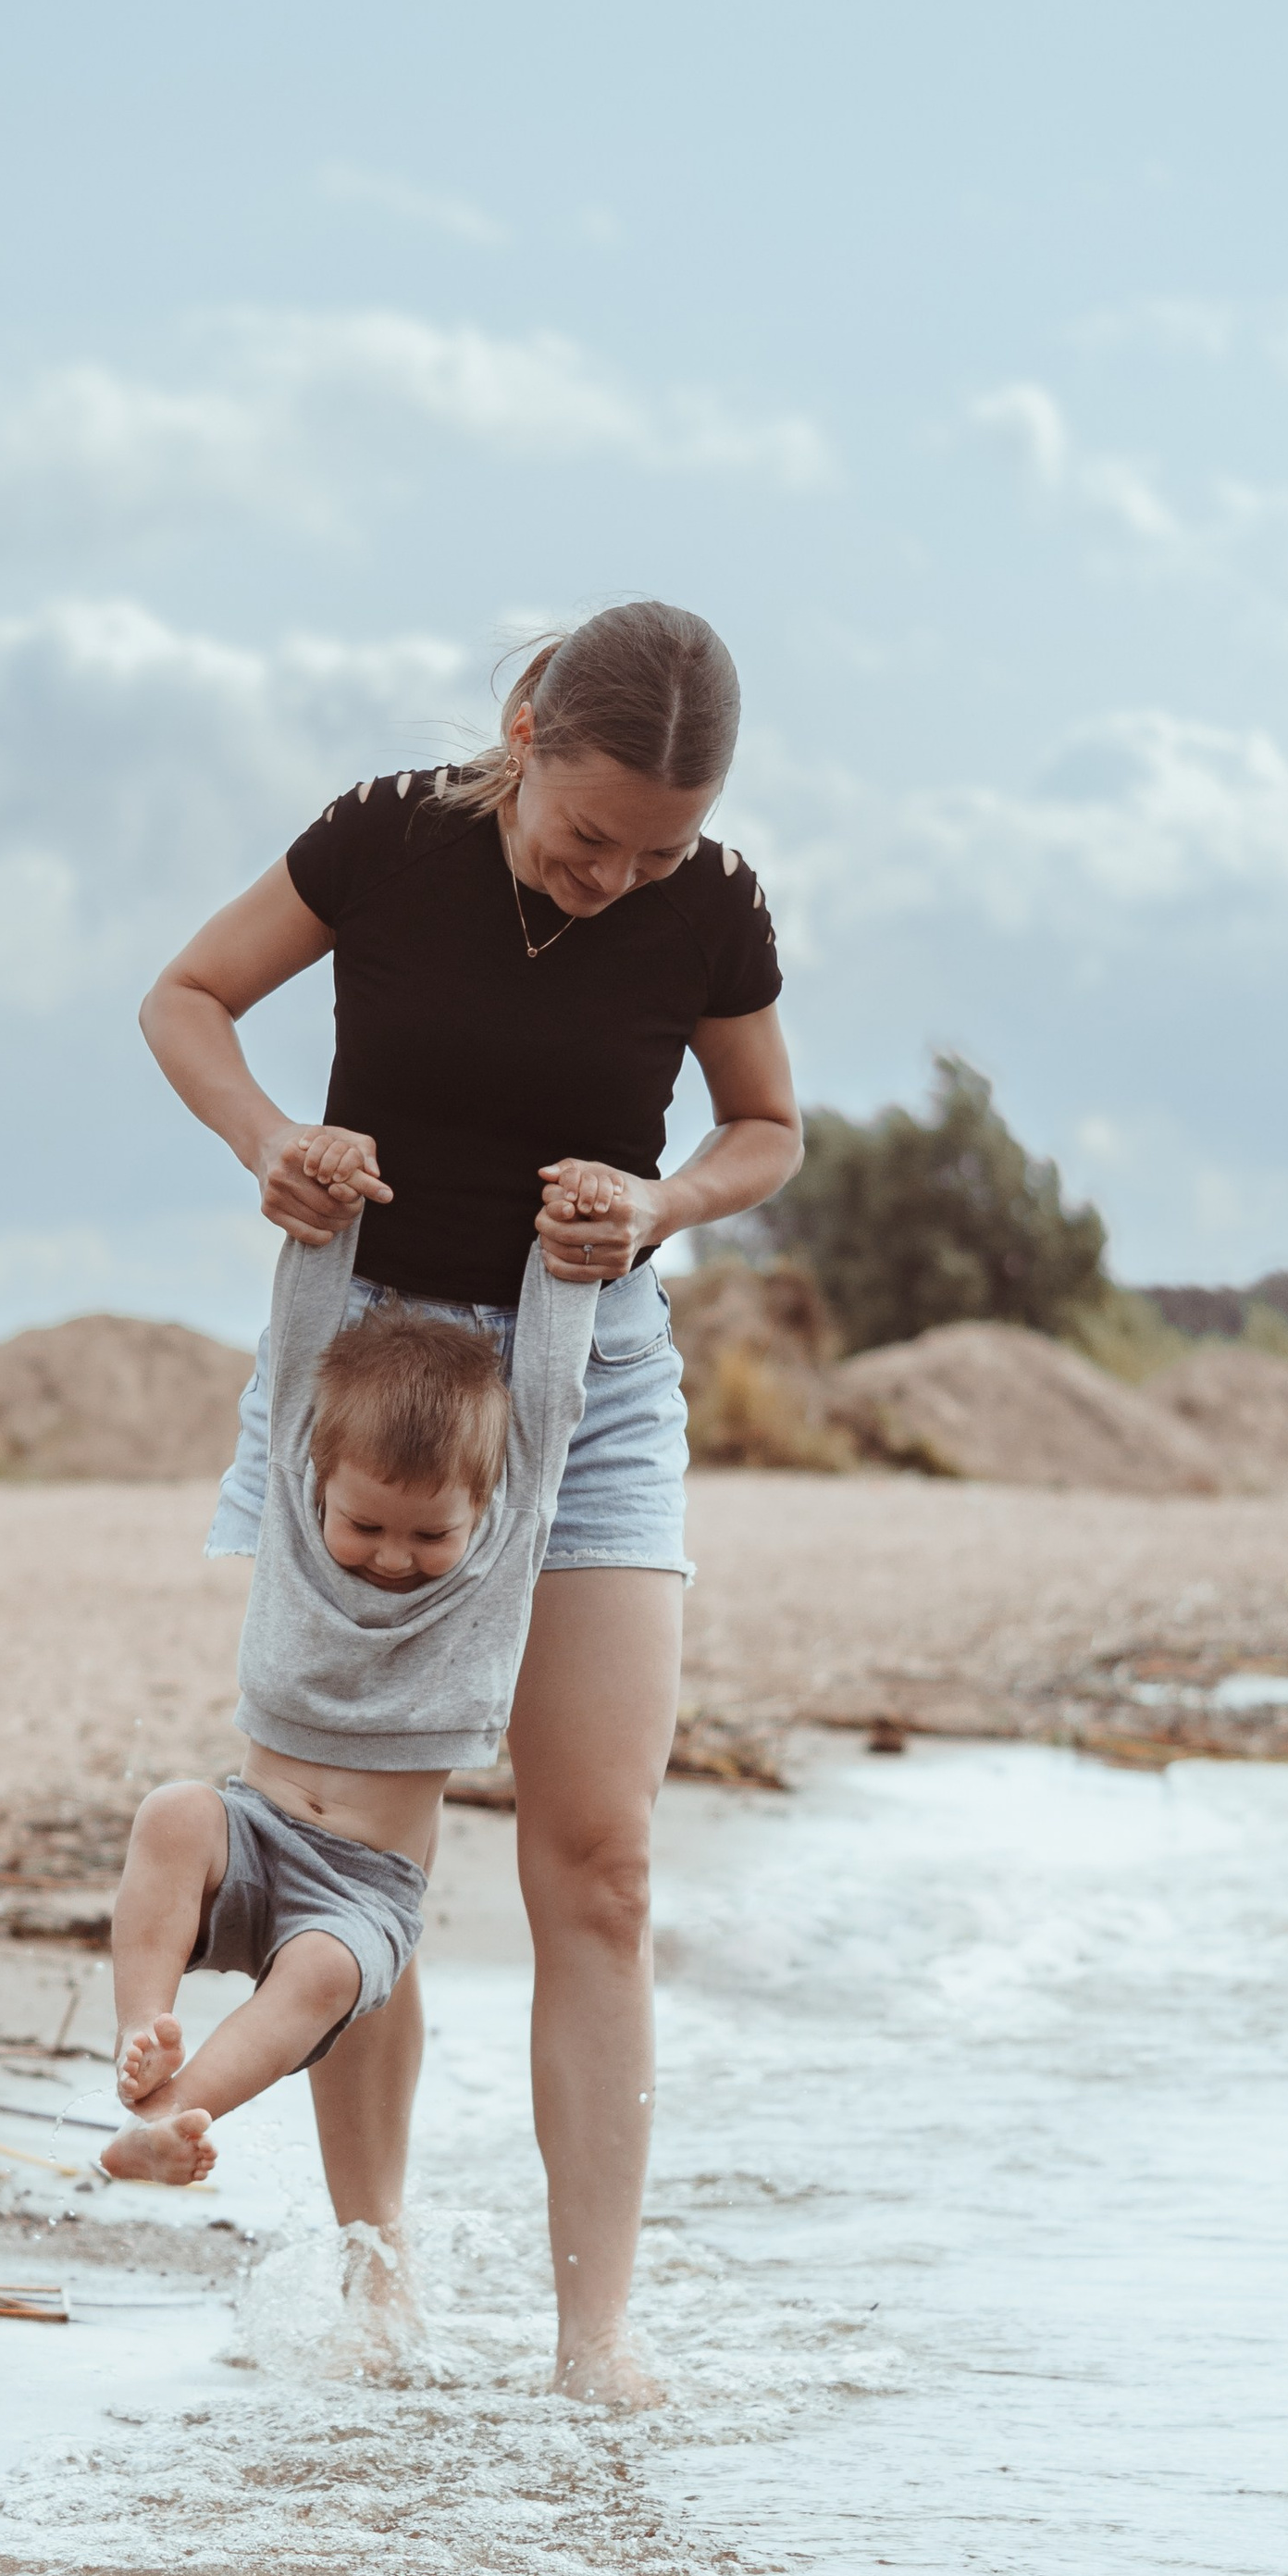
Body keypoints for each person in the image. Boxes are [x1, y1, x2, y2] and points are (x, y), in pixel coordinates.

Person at [140, 598, 800, 2405]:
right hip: (370, 1385)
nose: (614, 879)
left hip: (588, 1390)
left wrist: (658, 1209)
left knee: (597, 1864)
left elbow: (762, 1132)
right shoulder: (386, 839)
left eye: (652, 849)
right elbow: (183, 997)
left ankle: (595, 2341)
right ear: (521, 730)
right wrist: (266, 1138)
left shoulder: (709, 903)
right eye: (587, 835)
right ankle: (379, 2283)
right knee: (364, 1863)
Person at [101, 1225, 594, 2186]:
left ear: (486, 1509)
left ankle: (173, 2116)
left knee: (323, 1973)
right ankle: (140, 2040)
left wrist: (565, 1260)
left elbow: (551, 1390)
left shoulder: (498, 1548)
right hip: (250, 1831)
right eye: (364, 1523)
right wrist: (327, 1211)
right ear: (314, 1482)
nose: (393, 1554)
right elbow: (298, 1337)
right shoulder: (298, 1510)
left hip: (361, 1893)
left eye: (429, 1532)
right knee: (171, 1811)